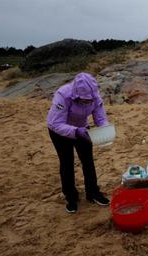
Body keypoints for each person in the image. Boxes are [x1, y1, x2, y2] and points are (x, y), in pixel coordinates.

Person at [47, 72, 110, 213]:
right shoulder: (63, 95)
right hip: (58, 131)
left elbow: (100, 117)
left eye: (89, 100)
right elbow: (57, 123)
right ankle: (71, 196)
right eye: (84, 100)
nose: (88, 102)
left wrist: (105, 128)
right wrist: (77, 131)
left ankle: (93, 192)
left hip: (82, 128)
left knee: (87, 160)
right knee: (67, 162)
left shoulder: (95, 96)